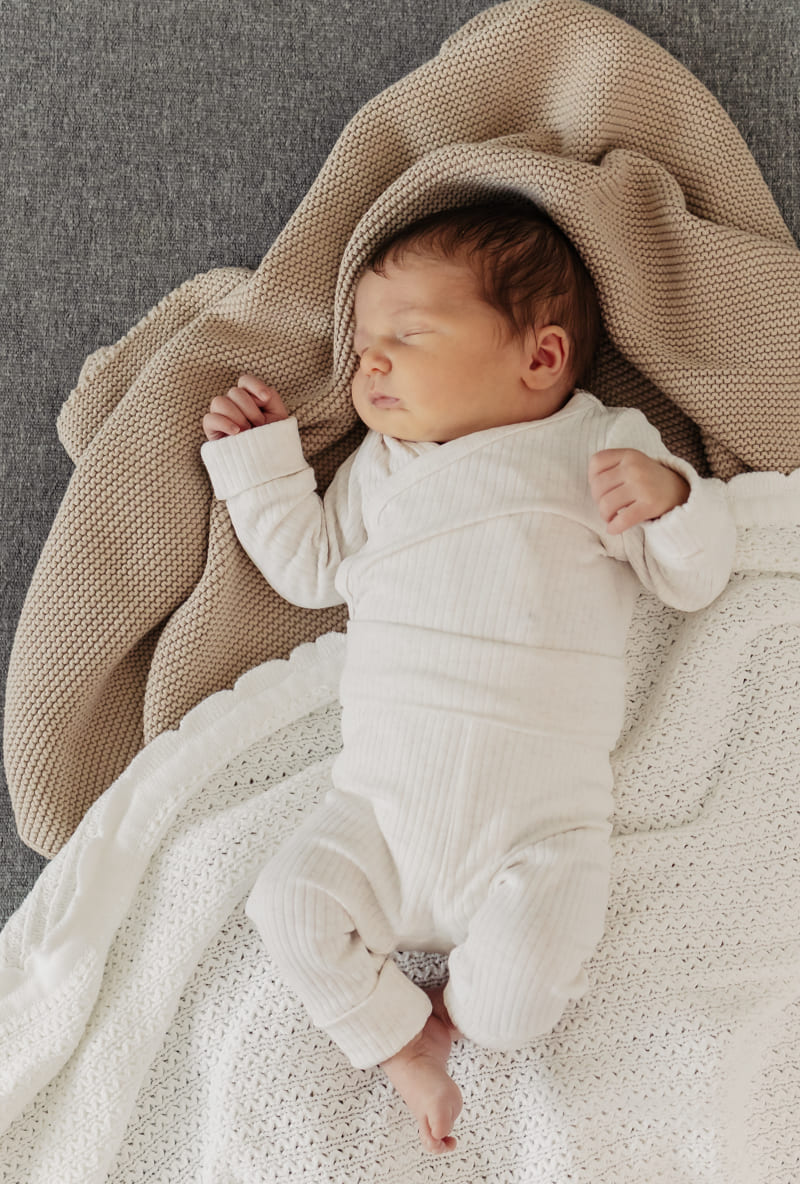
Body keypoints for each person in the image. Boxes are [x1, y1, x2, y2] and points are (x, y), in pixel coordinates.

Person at [200, 201, 736, 1155]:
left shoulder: (602, 444)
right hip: (377, 811)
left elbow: (693, 580)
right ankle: (398, 1038)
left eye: (407, 336)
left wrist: (672, 501)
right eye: (363, 345)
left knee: (515, 1011)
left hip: (537, 831)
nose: (370, 363)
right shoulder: (384, 467)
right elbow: (311, 567)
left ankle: (462, 1012)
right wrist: (261, 465)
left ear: (541, 357)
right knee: (287, 904)